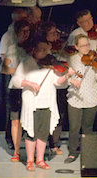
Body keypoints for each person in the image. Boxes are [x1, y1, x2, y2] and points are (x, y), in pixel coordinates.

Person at [11, 37, 75, 171]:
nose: (46, 52)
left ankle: (40, 159)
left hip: (47, 104)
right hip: (33, 105)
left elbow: (57, 82)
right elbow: (16, 80)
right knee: (32, 133)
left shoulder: (49, 65)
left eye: (47, 49)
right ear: (34, 49)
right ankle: (30, 160)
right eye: (42, 49)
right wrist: (29, 83)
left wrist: (67, 76)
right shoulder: (27, 62)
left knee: (43, 133)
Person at [64, 34, 97, 163]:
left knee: (88, 127)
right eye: (82, 46)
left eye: (87, 45)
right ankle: (72, 152)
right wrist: (71, 80)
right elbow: (64, 77)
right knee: (74, 127)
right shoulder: (71, 59)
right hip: (75, 97)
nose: (86, 48)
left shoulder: (94, 59)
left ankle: (87, 151)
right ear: (76, 47)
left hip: (91, 96)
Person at [0, 19, 31, 161]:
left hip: (30, 89)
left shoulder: (33, 47)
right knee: (15, 120)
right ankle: (17, 151)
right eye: (22, 31)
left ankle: (33, 152)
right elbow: (4, 69)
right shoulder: (12, 48)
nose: (25, 34)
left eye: (28, 31)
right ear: (17, 33)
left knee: (31, 121)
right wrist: (19, 72)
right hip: (16, 89)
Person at [39, 21, 67, 155]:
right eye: (52, 33)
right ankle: (42, 143)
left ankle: (54, 143)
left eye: (57, 32)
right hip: (45, 88)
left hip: (60, 86)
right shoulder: (41, 50)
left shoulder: (62, 48)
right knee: (44, 116)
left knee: (59, 115)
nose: (56, 36)